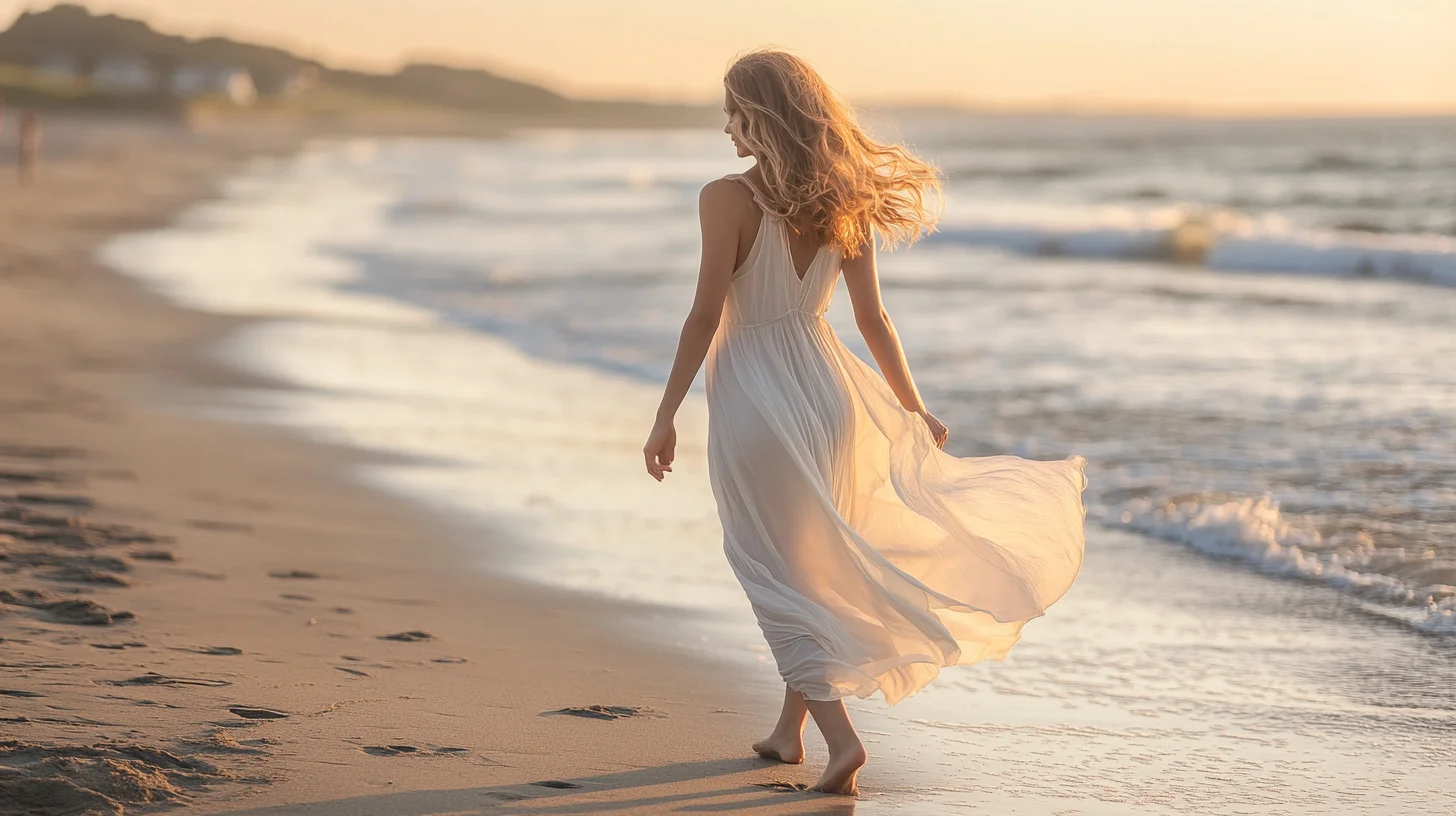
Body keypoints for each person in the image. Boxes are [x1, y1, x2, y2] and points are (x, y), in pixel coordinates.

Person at [643, 49, 1087, 795]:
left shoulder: (724, 198)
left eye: (732, 111)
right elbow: (873, 319)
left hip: (758, 396)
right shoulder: (843, 199)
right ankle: (791, 732)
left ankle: (842, 742)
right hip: (830, 395)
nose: (725, 127)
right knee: (808, 565)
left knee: (771, 568)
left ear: (761, 115)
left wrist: (665, 414)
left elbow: (705, 314)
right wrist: (912, 406)